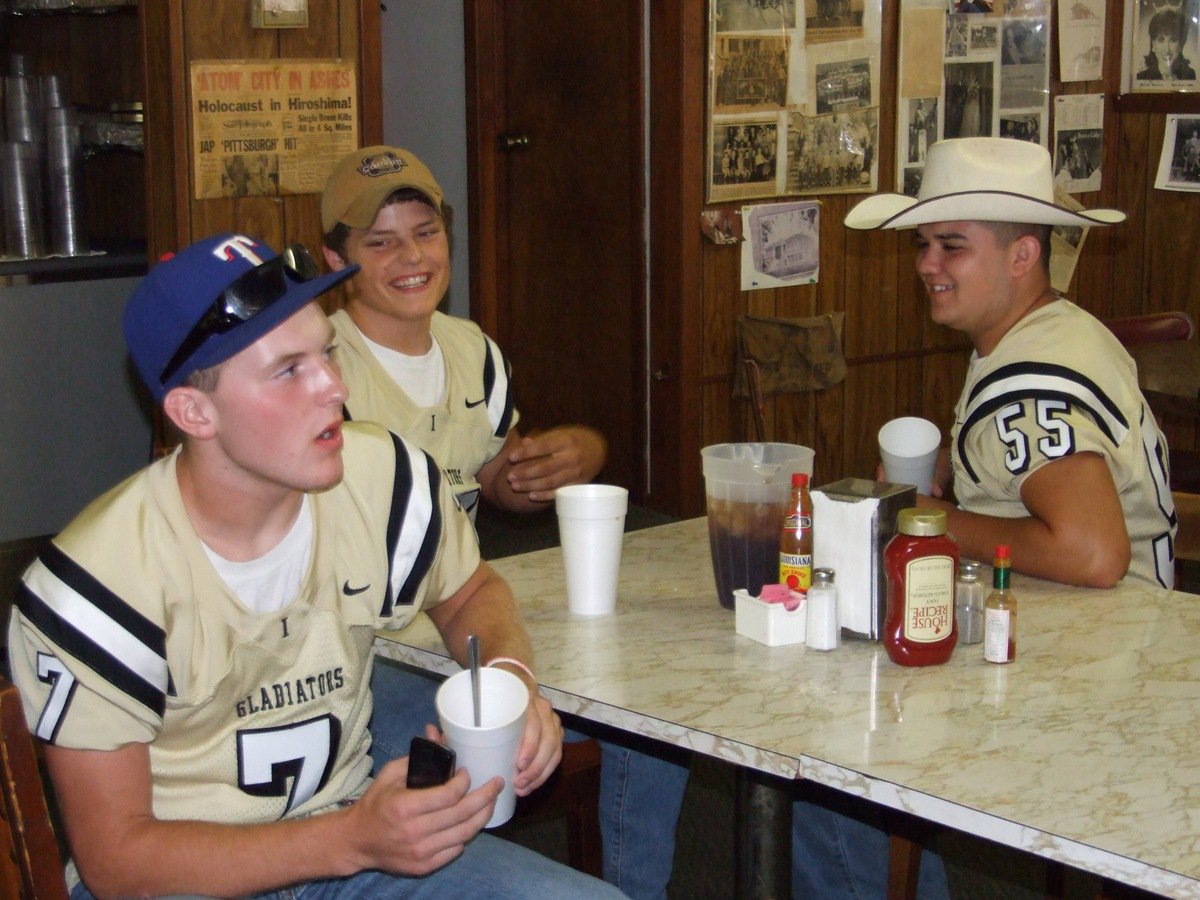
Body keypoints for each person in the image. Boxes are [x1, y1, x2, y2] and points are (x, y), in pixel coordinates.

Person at [6, 232, 622, 900]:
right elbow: (117, 862)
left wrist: (509, 679)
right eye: (288, 370)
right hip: (182, 878)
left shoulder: (381, 476)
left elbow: (470, 591)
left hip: (345, 842)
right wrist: (352, 840)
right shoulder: (97, 585)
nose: (335, 385)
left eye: (326, 352)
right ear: (193, 411)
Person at [785, 136, 1177, 899]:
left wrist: (934, 517)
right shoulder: (1058, 329)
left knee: (826, 745)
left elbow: (1092, 554)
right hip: (1129, 643)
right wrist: (959, 488)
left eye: (952, 246)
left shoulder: (1028, 376)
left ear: (1023, 254)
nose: (927, 264)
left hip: (1088, 669)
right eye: (924, 244)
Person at [319, 145, 690, 899]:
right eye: (380, 242)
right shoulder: (317, 365)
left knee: (654, 713)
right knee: (468, 754)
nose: (411, 257)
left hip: (471, 622)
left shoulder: (472, 350)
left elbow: (497, 479)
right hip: (373, 651)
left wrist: (565, 458)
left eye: (425, 232)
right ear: (336, 260)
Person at [1137, 8, 1197, 81]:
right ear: (1153, 45)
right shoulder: (1141, 78)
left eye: (1173, 40)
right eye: (1161, 40)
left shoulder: (1190, 76)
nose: (1167, 50)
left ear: (1181, 45)